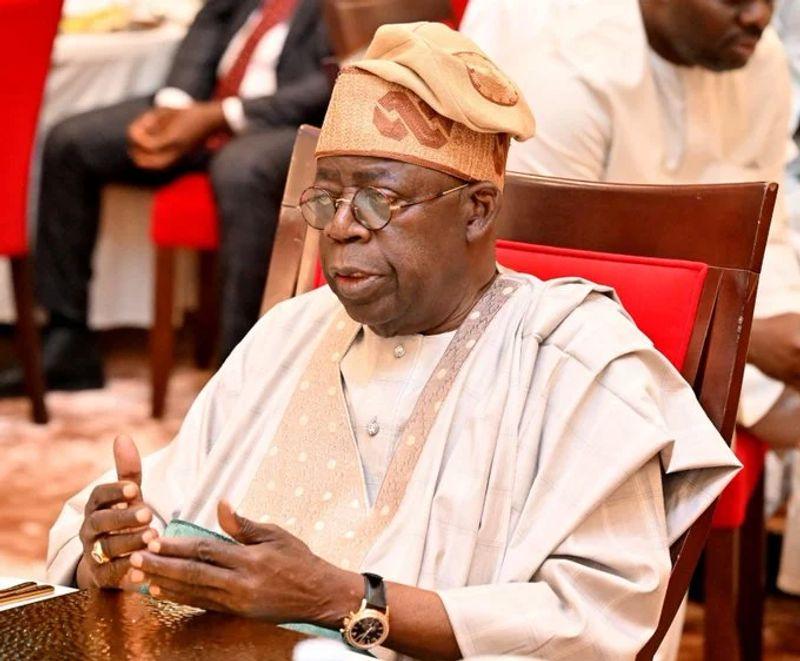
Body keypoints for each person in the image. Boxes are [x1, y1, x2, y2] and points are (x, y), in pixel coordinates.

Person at [47, 23, 740, 660]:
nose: (342, 226)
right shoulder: (292, 332)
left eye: (380, 200)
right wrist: (112, 549)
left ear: (477, 210)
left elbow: (595, 621)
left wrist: (345, 598)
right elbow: (162, 512)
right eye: (327, 200)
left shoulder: (573, 363)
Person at [462, 0, 800, 481]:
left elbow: (768, 227)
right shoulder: (570, 68)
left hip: (715, 324)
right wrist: (735, 335)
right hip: (564, 358)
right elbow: (533, 282)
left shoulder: (758, 63)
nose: (758, 18)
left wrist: (780, 320)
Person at [0, 0, 331, 396]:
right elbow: (209, 25)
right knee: (70, 143)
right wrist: (176, 106)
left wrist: (222, 116)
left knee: (242, 171)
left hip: (284, 121)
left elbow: (338, 77)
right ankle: (67, 342)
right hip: (204, 104)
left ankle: (239, 375)